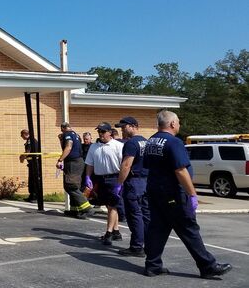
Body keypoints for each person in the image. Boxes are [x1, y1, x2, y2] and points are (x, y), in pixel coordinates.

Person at [143, 110, 231, 278]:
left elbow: (148, 165)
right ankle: (208, 266)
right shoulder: (174, 142)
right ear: (172, 124)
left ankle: (152, 266)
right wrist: (192, 194)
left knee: (157, 229)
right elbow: (181, 170)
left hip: (155, 191)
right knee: (188, 228)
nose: (179, 125)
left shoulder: (151, 141)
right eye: (178, 123)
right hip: (173, 193)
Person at [85, 122, 124, 245]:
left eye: (103, 131)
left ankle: (109, 233)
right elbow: (90, 164)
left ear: (109, 133)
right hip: (100, 179)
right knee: (109, 205)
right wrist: (87, 176)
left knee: (112, 206)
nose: (100, 134)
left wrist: (121, 182)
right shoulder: (93, 147)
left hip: (114, 178)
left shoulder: (118, 146)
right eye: (99, 132)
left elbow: (124, 165)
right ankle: (116, 231)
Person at [114, 117, 148, 257]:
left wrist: (119, 184)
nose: (122, 129)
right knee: (146, 215)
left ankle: (136, 247)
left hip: (134, 182)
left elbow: (126, 165)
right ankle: (148, 244)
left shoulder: (131, 143)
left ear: (134, 126)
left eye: (124, 126)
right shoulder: (146, 142)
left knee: (134, 215)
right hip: (146, 181)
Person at [56, 122, 94, 219]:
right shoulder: (76, 135)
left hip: (73, 163)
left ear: (63, 128)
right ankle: (74, 209)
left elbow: (68, 147)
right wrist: (61, 140)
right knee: (73, 185)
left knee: (71, 186)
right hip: (78, 162)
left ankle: (87, 208)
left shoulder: (67, 134)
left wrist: (60, 160)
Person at [19, 129, 38, 201]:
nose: (21, 136)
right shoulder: (29, 140)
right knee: (31, 180)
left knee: (34, 180)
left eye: (21, 135)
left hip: (35, 163)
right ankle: (31, 196)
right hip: (31, 163)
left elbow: (28, 152)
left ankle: (35, 197)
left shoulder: (31, 140)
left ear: (25, 134)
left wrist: (22, 158)